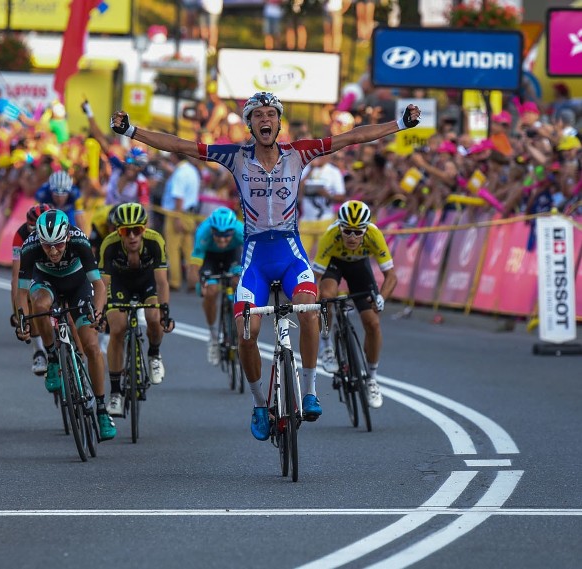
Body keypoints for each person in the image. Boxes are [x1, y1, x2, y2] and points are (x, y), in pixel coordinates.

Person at [110, 91, 420, 441]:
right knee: (247, 332)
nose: (265, 119)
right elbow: (180, 145)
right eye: (257, 115)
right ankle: (259, 404)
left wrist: (401, 124)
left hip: (290, 253)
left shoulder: (299, 153)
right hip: (255, 257)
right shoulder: (236, 156)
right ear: (250, 123)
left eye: (271, 113)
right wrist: (131, 130)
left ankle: (310, 392)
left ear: (279, 121)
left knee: (307, 310)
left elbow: (353, 137)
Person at [14, 209, 116, 440]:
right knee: (38, 305)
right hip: (46, 282)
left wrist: (98, 313)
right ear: (39, 239)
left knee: (91, 346)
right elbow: (21, 293)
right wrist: (22, 320)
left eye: (58, 245)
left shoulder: (80, 240)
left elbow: (99, 286)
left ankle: (101, 409)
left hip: (77, 283)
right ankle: (52, 357)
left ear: (67, 238)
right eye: (47, 245)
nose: (52, 251)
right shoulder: (30, 248)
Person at [313, 200, 395, 408]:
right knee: (327, 296)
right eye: (347, 231)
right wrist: (316, 302)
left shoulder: (374, 235)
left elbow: (391, 276)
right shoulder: (330, 236)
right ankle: (326, 345)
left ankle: (372, 378)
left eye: (358, 232)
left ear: (366, 230)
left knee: (372, 322)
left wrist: (381, 298)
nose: (352, 237)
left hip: (359, 267)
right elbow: (316, 277)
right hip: (334, 264)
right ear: (339, 226)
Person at [99, 203, 174, 416]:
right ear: (118, 232)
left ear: (144, 229)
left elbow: (162, 283)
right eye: (125, 231)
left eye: (137, 230)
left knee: (153, 316)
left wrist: (165, 311)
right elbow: (103, 284)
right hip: (119, 284)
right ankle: (115, 393)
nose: (132, 236)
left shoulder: (155, 241)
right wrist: (102, 312)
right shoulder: (109, 245)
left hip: (146, 282)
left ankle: (154, 354)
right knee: (117, 328)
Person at [187, 207, 244, 365]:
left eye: (226, 236)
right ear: (212, 230)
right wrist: (199, 283)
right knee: (211, 292)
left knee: (238, 282)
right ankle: (213, 337)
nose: (222, 240)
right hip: (210, 258)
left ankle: (237, 327)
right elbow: (195, 265)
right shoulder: (203, 232)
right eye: (218, 235)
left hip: (232, 255)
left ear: (232, 231)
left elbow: (252, 258)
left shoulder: (241, 230)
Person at [10, 203, 53, 375]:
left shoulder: (57, 230)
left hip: (53, 265)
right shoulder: (21, 236)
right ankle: (39, 351)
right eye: (31, 227)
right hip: (32, 267)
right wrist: (19, 314)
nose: (35, 231)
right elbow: (16, 278)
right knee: (29, 297)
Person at [161, 151, 201, 290]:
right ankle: (193, 281)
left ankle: (175, 281)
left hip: (176, 214)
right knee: (188, 249)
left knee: (173, 249)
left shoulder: (180, 173)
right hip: (190, 213)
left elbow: (179, 197)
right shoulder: (192, 170)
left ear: (174, 156)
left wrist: (177, 218)